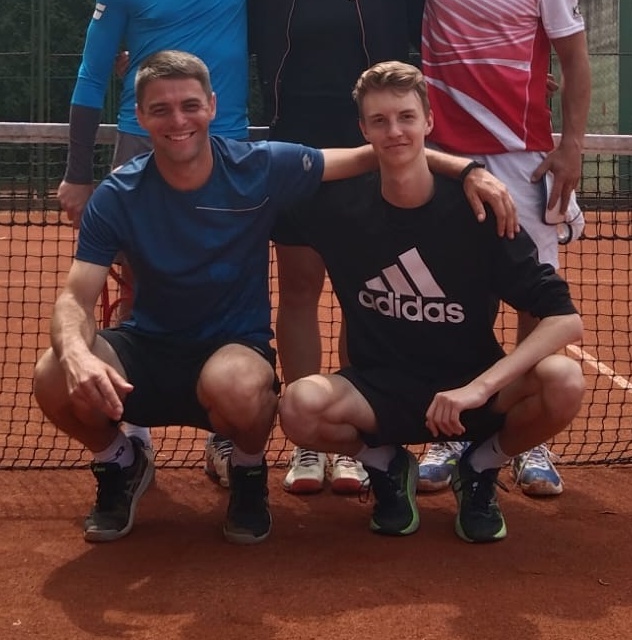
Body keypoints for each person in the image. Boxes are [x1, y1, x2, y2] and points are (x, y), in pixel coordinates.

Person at [33, 50, 515, 546]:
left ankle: (248, 472)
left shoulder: (258, 167)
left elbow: (380, 151)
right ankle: (120, 462)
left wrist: (467, 170)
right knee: (53, 372)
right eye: (161, 109)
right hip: (146, 347)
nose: (178, 120)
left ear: (212, 106)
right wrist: (76, 356)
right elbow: (75, 296)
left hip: (232, 351)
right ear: (140, 115)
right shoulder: (118, 193)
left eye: (190, 105)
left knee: (238, 383)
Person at [55, 0, 407, 468]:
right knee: (139, 286)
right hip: (145, 137)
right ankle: (134, 426)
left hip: (231, 141)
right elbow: (90, 76)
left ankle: (226, 427)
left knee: (231, 281)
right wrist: (78, 174)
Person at [279, 61, 585, 544]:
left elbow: (564, 320)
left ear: (429, 122)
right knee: (298, 406)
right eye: (379, 121)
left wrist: (478, 389)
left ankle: (479, 467)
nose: (394, 131)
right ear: (363, 131)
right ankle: (387, 465)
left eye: (406, 117)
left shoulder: (480, 211)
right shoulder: (336, 207)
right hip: (378, 392)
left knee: (564, 380)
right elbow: (266, 179)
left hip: (470, 392)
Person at [410, 0, 591, 497]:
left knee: (536, 302)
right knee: (452, 298)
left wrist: (571, 146)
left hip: (525, 160)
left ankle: (528, 440)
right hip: (446, 161)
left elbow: (574, 61)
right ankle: (453, 431)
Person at [248, 0, 426, 495]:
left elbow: (421, 45)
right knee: (298, 288)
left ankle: (349, 432)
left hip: (372, 153)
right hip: (295, 153)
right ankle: (307, 437)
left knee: (361, 292)